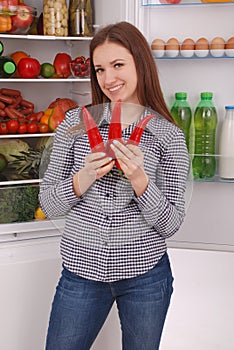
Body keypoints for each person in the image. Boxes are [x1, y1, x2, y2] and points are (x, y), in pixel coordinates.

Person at [39, 21, 189, 350]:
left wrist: (140, 181)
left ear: (140, 63)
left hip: (145, 277)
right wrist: (83, 178)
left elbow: (172, 223)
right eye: (100, 69)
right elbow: (48, 203)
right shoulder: (74, 124)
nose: (108, 79)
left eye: (118, 65)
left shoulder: (168, 136)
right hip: (80, 272)